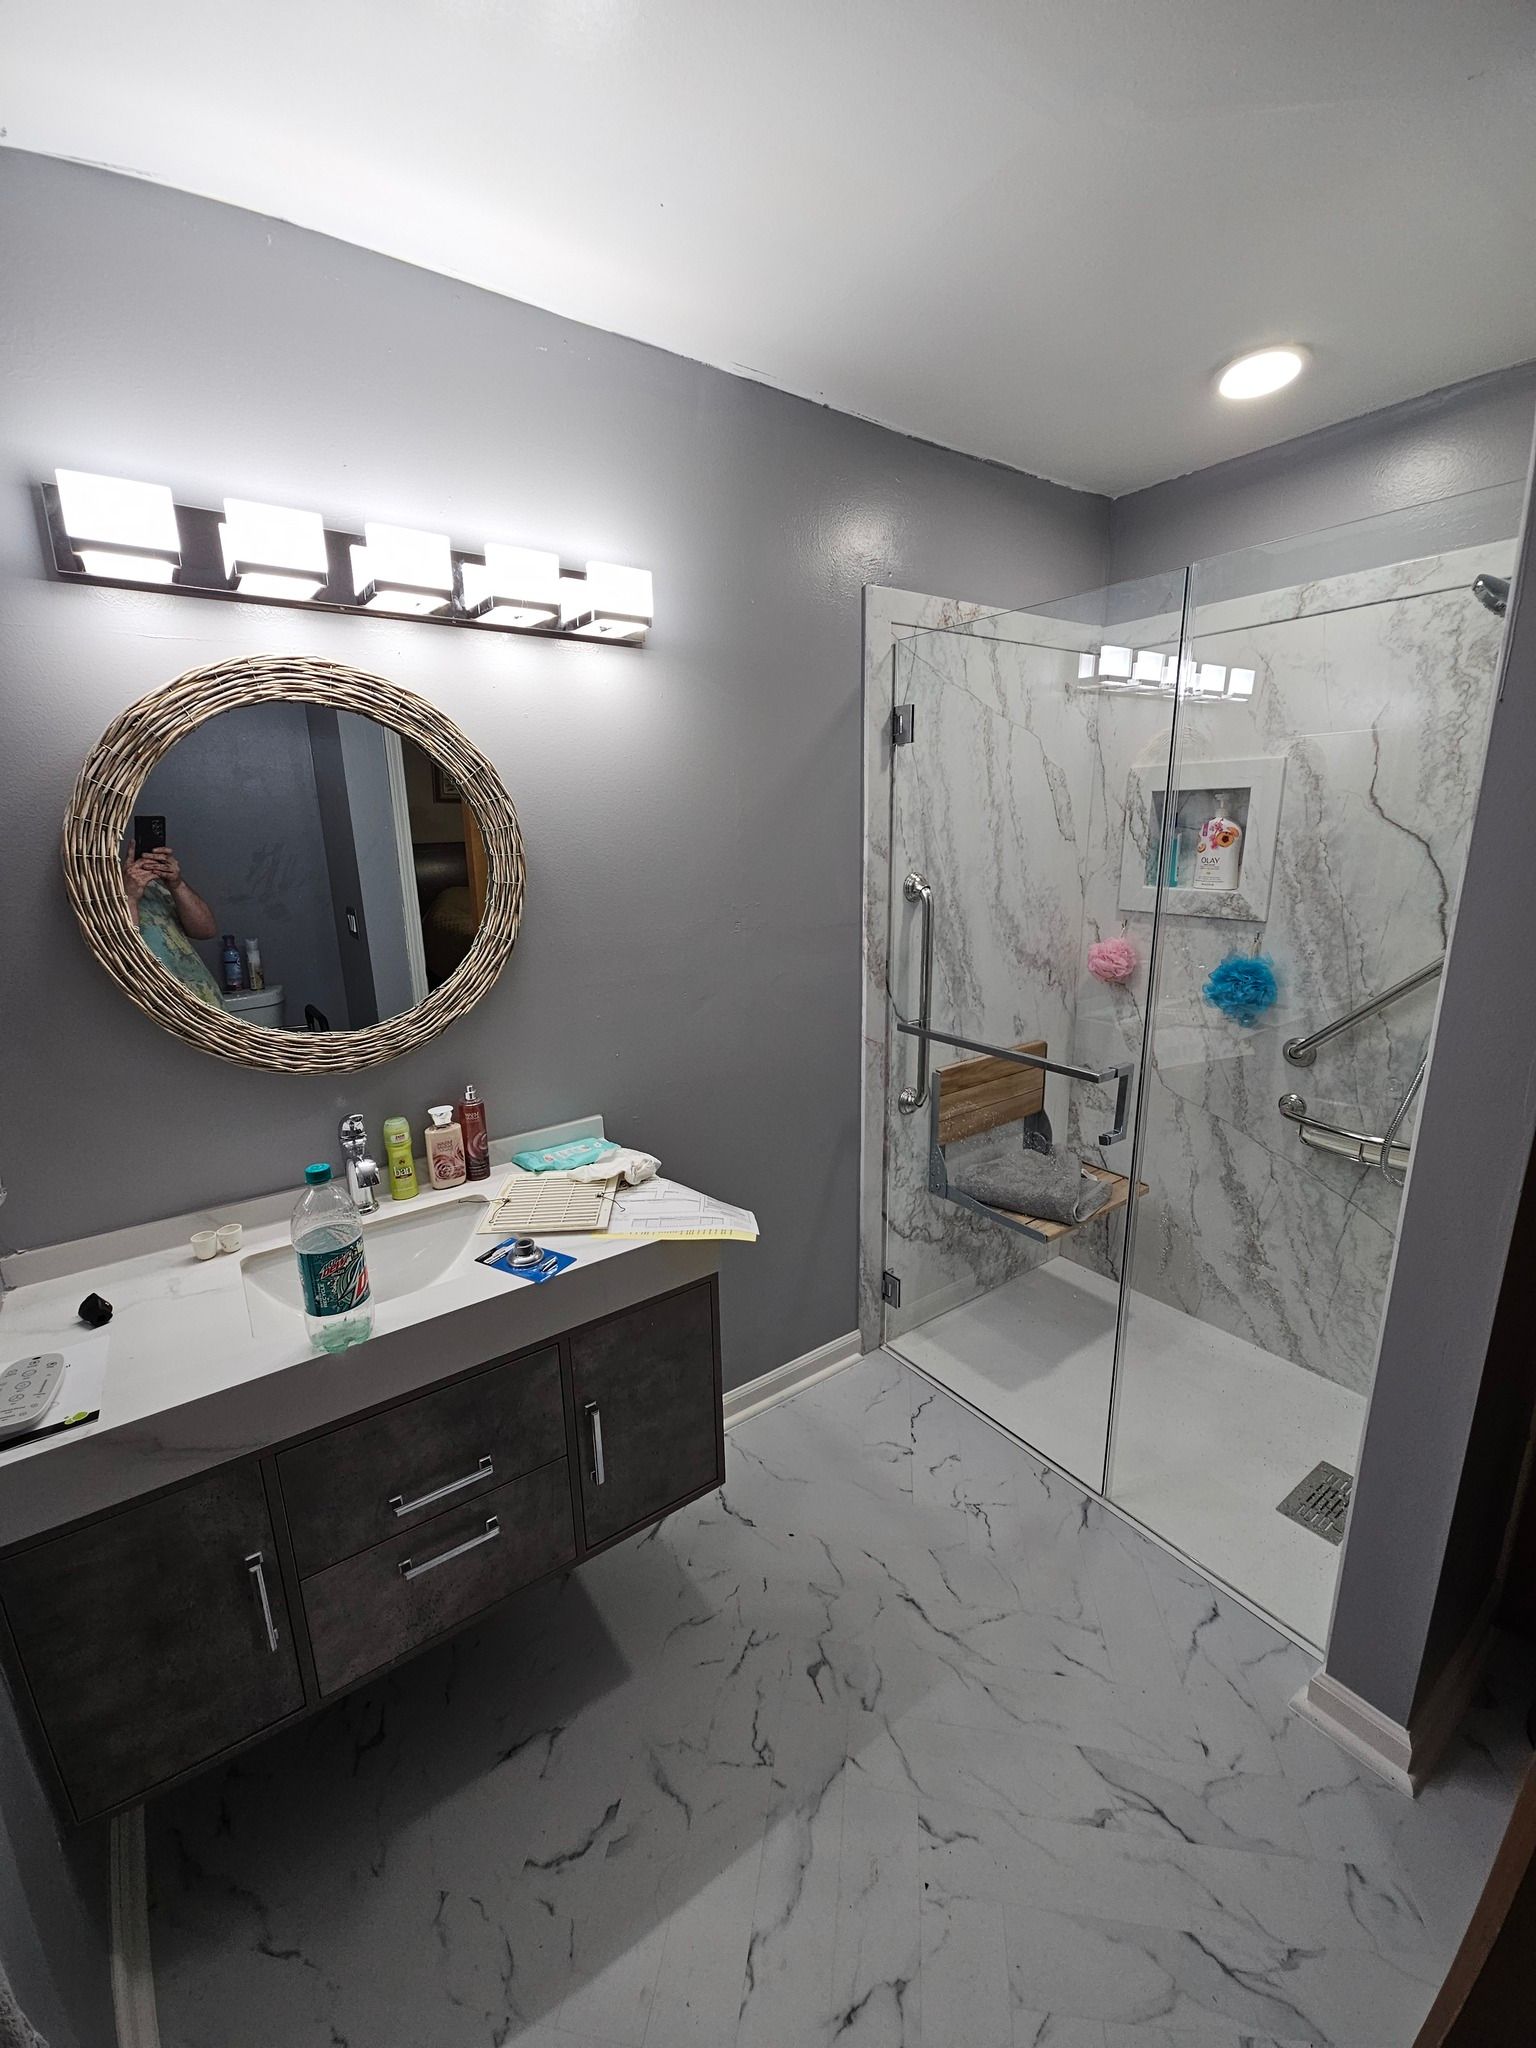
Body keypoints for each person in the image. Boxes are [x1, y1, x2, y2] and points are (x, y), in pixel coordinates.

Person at [123, 846, 225, 1006]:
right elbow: (125, 954)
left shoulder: (154, 887)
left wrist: (176, 884)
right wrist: (129, 897)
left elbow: (206, 930)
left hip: (205, 1008)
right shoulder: (103, 899)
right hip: (166, 1012)